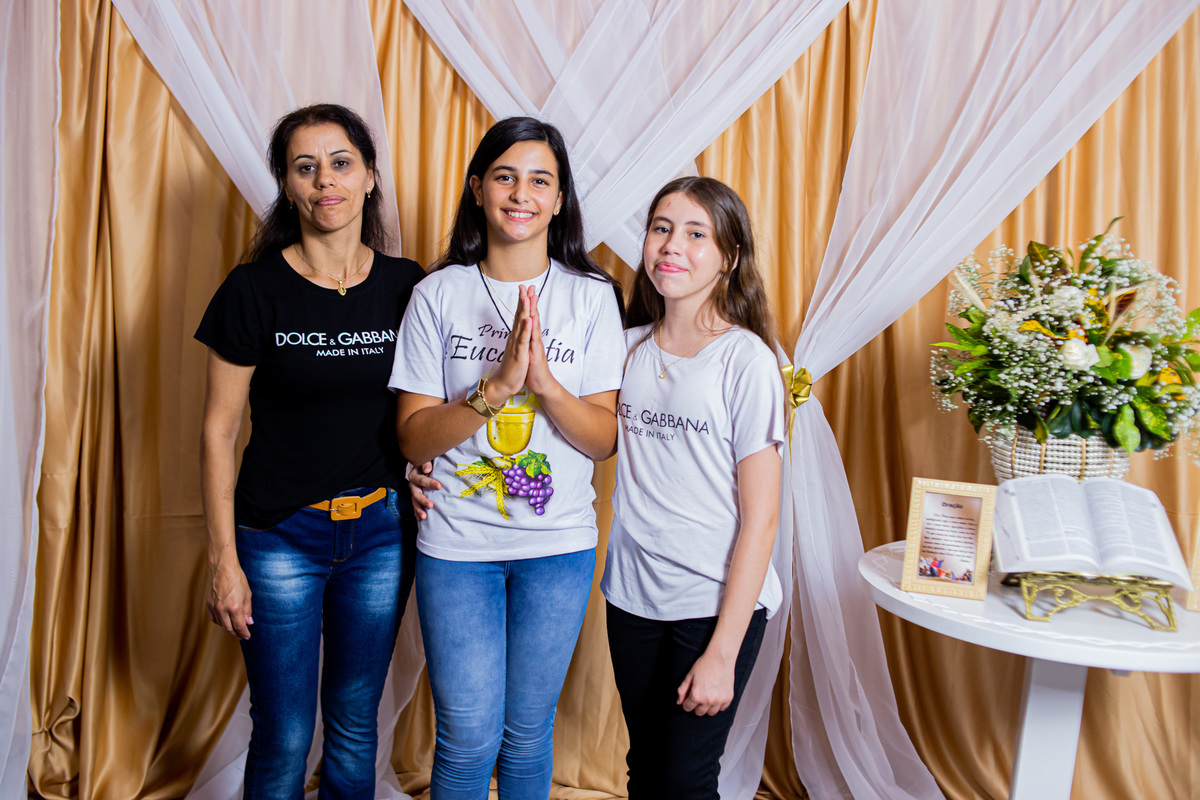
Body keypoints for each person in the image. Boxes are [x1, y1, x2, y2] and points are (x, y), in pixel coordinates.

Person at [389, 116, 624, 799]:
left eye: (540, 181)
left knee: (526, 733)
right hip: (456, 547)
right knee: (466, 736)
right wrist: (494, 390)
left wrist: (544, 384)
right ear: (477, 189)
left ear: (559, 199)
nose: (522, 194)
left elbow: (603, 440)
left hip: (559, 548)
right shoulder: (436, 295)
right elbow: (413, 439)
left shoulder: (591, 298)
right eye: (505, 177)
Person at [196, 103, 423, 799]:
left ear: (370, 176)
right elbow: (217, 432)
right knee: (285, 732)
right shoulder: (253, 290)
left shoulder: (406, 285)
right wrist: (223, 561)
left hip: (380, 534)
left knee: (355, 723)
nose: (326, 180)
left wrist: (423, 471)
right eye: (306, 167)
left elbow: (423, 411)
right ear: (288, 186)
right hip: (277, 537)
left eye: (341, 162)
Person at [602, 176, 785, 798]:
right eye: (661, 228)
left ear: (728, 257)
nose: (671, 245)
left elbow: (762, 519)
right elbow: (553, 423)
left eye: (695, 233)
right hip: (631, 598)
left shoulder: (746, 361)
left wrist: (722, 652)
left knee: (685, 781)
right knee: (646, 770)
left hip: (712, 603)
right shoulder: (624, 350)